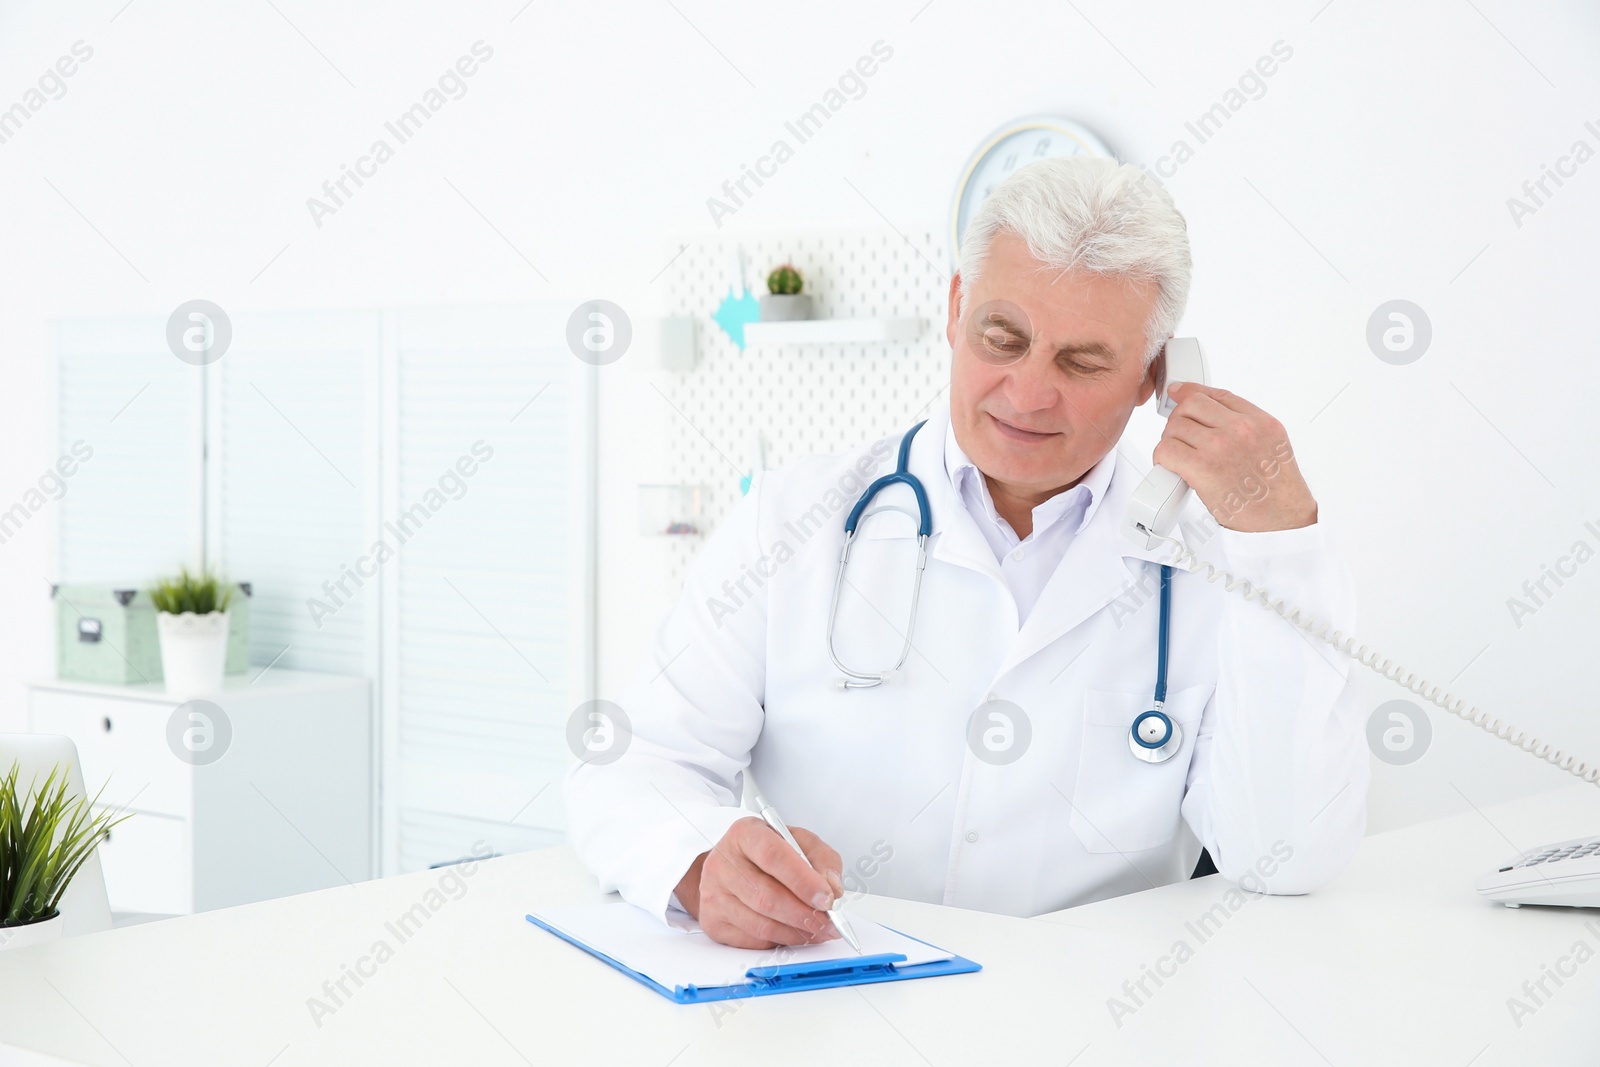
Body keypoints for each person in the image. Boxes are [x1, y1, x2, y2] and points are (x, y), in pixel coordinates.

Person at [566, 155, 1368, 949]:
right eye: (1003, 336)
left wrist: (1279, 541)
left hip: (1097, 1018)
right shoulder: (790, 521)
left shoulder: (1216, 566)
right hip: (838, 1008)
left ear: (1155, 377)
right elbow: (634, 763)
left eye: (1083, 361)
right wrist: (698, 864)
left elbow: (1284, 854)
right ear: (955, 308)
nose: (1028, 392)